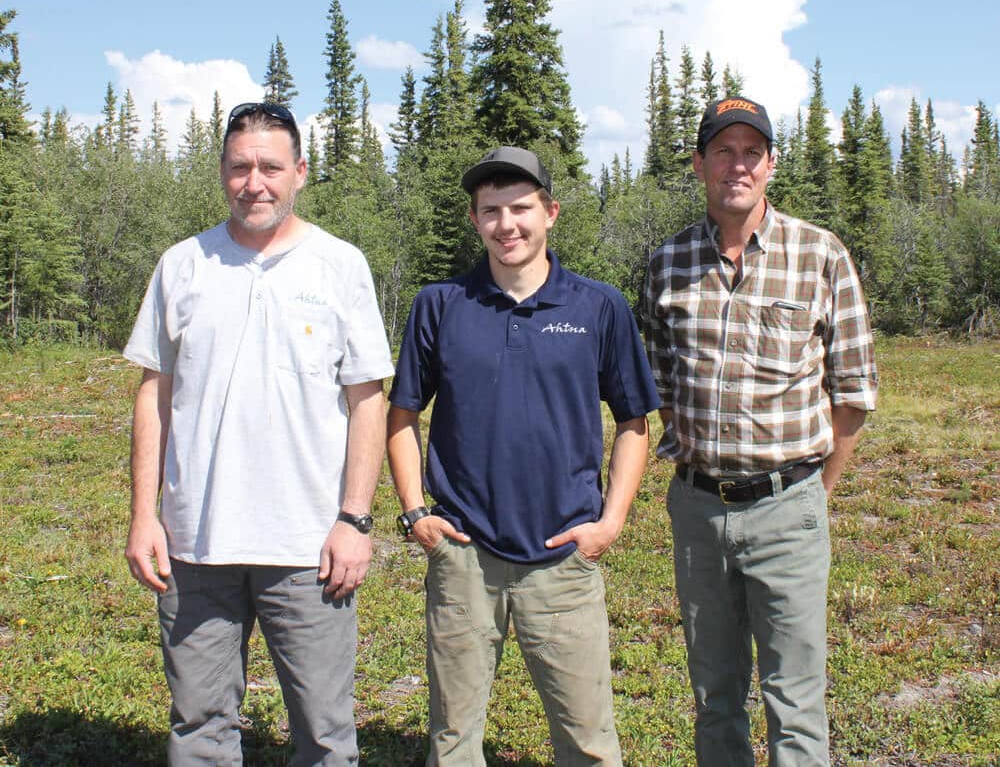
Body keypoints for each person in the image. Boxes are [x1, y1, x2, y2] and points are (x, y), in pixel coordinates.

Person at [123, 102, 394, 765]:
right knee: (198, 725)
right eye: (240, 167)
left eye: (271, 167)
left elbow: (368, 401)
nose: (255, 183)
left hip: (309, 547)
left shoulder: (339, 265)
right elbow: (154, 395)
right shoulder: (182, 265)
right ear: (222, 172)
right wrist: (143, 516)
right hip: (195, 544)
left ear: (300, 172)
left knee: (326, 734)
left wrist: (354, 521)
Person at [387, 146, 660, 766]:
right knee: (452, 743)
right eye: (490, 211)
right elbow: (401, 416)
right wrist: (415, 513)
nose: (506, 224)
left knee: (589, 743)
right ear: (475, 220)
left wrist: (609, 523)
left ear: (551, 212)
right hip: (462, 557)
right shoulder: (440, 304)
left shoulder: (598, 307)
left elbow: (634, 422)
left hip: (562, 558)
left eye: (520, 208)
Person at [641, 97, 878, 766]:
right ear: (700, 165)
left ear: (771, 164)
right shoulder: (668, 264)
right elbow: (663, 385)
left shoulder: (820, 255)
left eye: (751, 152)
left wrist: (811, 491)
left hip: (790, 508)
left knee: (795, 700)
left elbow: (854, 393)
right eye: (723, 151)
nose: (736, 165)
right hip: (697, 511)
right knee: (714, 694)